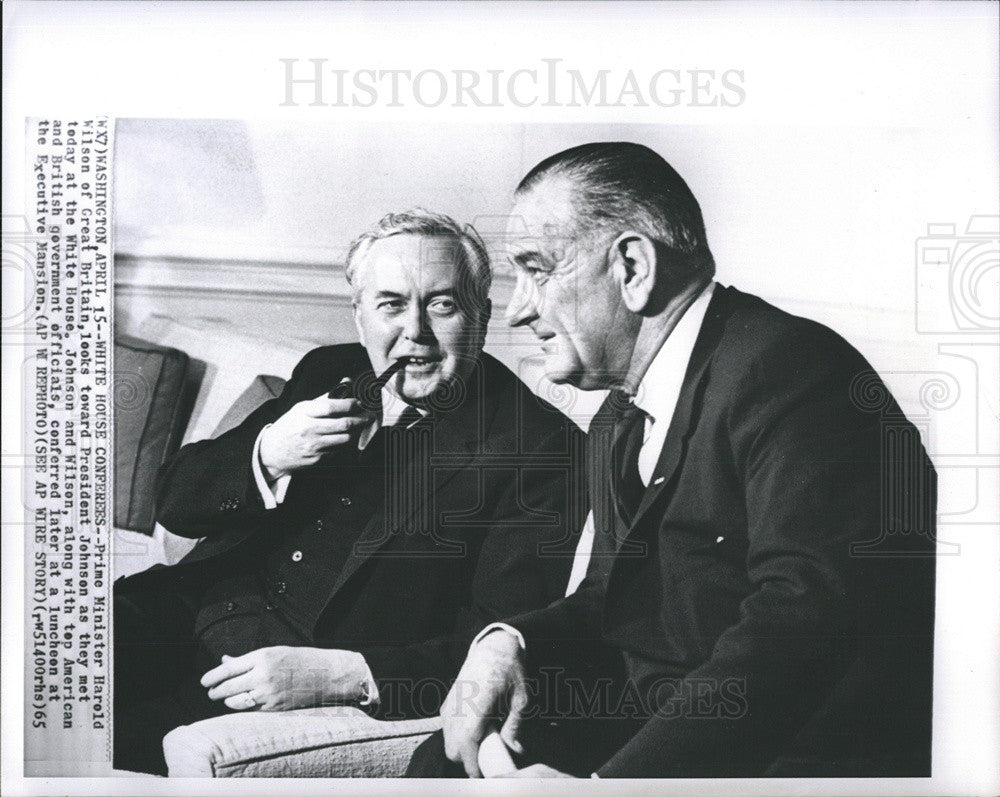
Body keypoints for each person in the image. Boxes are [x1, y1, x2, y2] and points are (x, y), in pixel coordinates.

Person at [407, 143, 936, 779]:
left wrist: (613, 789)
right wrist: (505, 643)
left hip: (796, 761)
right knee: (441, 764)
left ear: (632, 267)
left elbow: (800, 629)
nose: (519, 309)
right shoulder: (618, 416)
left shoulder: (793, 371)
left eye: (537, 269)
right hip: (670, 731)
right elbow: (614, 601)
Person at [113, 210, 586, 775]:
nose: (415, 331)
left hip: (283, 690)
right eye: (390, 304)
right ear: (359, 316)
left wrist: (341, 674)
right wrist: (267, 452)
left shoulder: (542, 450)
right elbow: (176, 503)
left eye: (443, 304)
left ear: (481, 315)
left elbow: (495, 647)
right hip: (179, 614)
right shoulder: (328, 370)